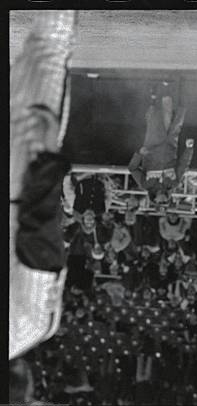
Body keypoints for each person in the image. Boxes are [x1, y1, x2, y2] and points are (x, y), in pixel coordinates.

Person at [9, 11, 77, 360]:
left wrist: (48, 161)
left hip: (18, 180)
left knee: (48, 46)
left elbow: (39, 242)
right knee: (41, 49)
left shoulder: (22, 331)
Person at [128, 84, 195, 207]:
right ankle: (177, 86)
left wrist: (139, 154)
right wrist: (189, 149)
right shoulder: (174, 183)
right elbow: (183, 165)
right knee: (178, 117)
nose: (163, 199)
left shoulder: (145, 184)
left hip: (153, 144)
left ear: (154, 199)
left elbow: (132, 168)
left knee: (157, 117)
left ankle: (161, 90)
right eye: (165, 201)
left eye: (160, 202)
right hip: (171, 143)